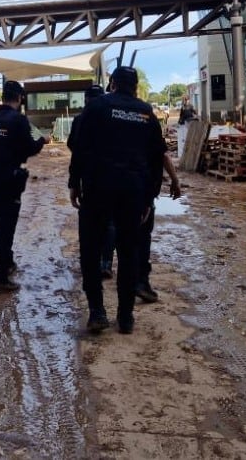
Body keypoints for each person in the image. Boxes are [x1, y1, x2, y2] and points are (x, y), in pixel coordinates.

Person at [68, 66, 165, 335]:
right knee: (129, 251)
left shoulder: (96, 108)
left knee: (90, 249)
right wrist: (149, 197)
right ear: (135, 87)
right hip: (132, 192)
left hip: (98, 188)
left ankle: (97, 312)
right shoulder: (146, 113)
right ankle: (125, 317)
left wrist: (74, 183)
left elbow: (80, 148)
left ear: (112, 84)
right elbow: (156, 159)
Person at [0, 79, 48, 293]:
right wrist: (42, 141)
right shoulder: (19, 120)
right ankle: (0, 277)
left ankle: (8, 262)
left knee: (1, 220)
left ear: (3, 97)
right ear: (20, 98)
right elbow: (30, 148)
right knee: (6, 227)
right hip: (10, 180)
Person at [67, 84, 116, 279]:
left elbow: (74, 149)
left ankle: (92, 263)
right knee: (111, 222)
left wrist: (74, 183)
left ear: (85, 100)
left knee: (91, 222)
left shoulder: (80, 120)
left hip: (90, 179)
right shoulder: (114, 117)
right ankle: (106, 262)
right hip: (114, 178)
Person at [134, 135, 181, 303]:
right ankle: (141, 282)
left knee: (121, 235)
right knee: (143, 238)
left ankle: (107, 265)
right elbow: (164, 156)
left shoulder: (113, 125)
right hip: (144, 192)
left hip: (119, 188)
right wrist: (175, 181)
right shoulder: (147, 125)